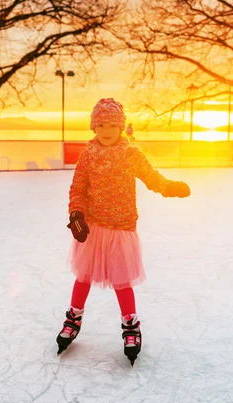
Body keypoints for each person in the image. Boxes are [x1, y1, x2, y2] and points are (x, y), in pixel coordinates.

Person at [56, 98, 191, 365]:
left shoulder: (131, 155)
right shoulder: (88, 156)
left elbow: (152, 178)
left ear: (121, 127)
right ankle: (74, 317)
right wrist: (76, 213)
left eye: (112, 124)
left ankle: (130, 325)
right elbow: (78, 190)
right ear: (94, 127)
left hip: (121, 227)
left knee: (121, 280)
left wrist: (169, 188)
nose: (107, 130)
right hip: (93, 228)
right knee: (83, 276)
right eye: (101, 124)